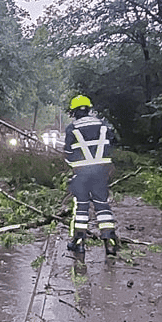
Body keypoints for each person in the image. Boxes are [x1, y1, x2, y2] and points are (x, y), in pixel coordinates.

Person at [62, 95, 118, 255]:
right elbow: (112, 143)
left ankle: (79, 242)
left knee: (81, 206)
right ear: (89, 109)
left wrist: (73, 165)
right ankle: (110, 242)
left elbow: (67, 153)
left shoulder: (72, 128)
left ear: (73, 112)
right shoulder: (103, 125)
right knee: (102, 205)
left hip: (81, 173)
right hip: (101, 172)